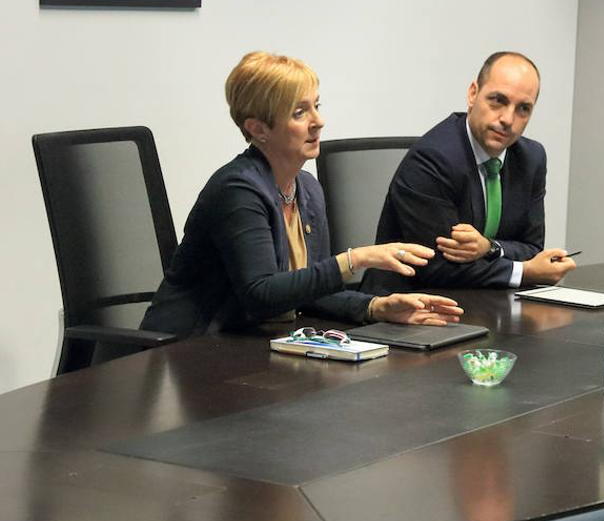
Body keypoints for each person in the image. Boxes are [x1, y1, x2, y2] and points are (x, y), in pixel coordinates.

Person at [141, 52, 463, 337]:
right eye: (299, 112)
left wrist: (377, 307)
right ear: (258, 129)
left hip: (248, 351)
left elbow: (309, 290)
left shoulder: (306, 188)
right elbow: (261, 294)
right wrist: (356, 259)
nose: (319, 121)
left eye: (317, 106)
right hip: (186, 354)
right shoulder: (237, 190)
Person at [363, 51, 575, 292]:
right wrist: (523, 271)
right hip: (409, 307)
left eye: (523, 109)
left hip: (487, 303)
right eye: (498, 100)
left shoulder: (531, 158)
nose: (508, 118)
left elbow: (532, 248)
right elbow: (439, 267)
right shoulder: (432, 159)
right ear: (473, 93)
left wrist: (490, 247)